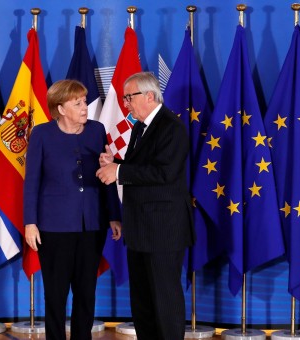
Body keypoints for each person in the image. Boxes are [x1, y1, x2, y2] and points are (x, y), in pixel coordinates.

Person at [96, 72, 195, 340]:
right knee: (143, 302)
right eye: (125, 98)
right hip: (139, 228)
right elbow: (140, 168)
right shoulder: (140, 127)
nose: (126, 103)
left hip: (163, 229)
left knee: (164, 300)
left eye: (130, 97)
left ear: (149, 96)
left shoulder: (172, 127)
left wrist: (119, 172)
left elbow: (165, 173)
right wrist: (114, 164)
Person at [23, 79, 121, 340]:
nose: (84, 107)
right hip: (54, 227)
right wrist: (30, 222)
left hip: (91, 224)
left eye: (84, 101)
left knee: (86, 291)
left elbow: (106, 173)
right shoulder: (42, 134)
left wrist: (113, 215)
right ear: (60, 108)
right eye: (77, 102)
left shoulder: (97, 130)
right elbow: (31, 181)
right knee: (56, 293)